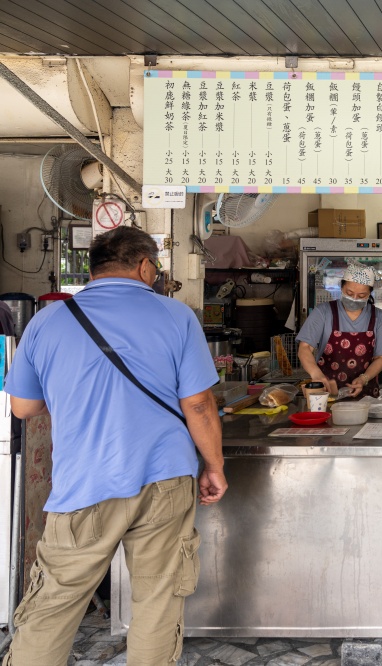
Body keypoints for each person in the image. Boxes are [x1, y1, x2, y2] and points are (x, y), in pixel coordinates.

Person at [3, 226, 227, 665]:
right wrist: (214, 466)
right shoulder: (176, 316)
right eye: (156, 267)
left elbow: (23, 407)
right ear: (145, 266)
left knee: (53, 602)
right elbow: (198, 405)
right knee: (158, 597)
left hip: (82, 483)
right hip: (164, 479)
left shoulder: (46, 321)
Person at [297, 263, 382, 399]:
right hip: (326, 396)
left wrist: (364, 378)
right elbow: (304, 348)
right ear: (341, 287)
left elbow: (381, 358)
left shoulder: (378, 317)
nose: (354, 298)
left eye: (362, 295)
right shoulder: (323, 312)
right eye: (349, 293)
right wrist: (316, 374)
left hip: (365, 396)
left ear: (369, 294)